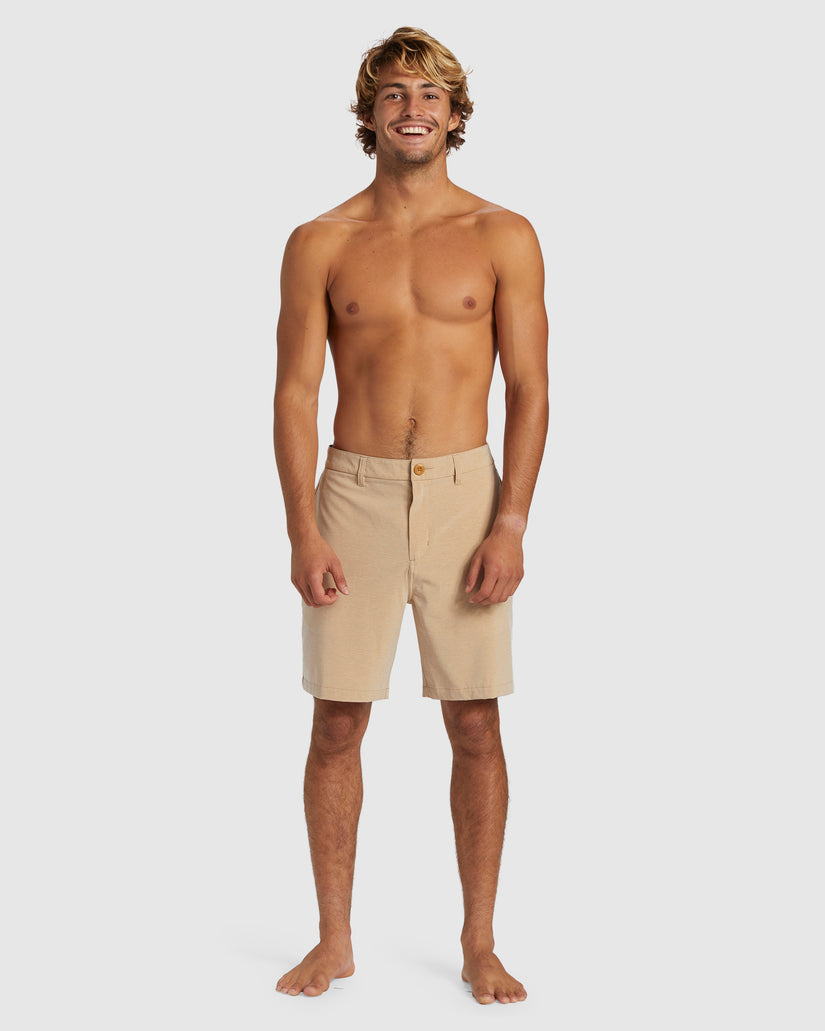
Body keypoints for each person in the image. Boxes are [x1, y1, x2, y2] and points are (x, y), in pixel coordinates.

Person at [272, 26, 548, 1005]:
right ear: (369, 113)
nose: (412, 109)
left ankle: (479, 942)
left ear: (455, 113)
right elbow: (295, 392)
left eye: (429, 94)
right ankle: (334, 938)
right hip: (352, 490)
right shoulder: (320, 241)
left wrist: (510, 521)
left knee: (474, 719)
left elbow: (530, 387)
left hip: (466, 493)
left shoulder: (502, 234)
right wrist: (303, 528)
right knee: (337, 718)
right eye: (393, 93)